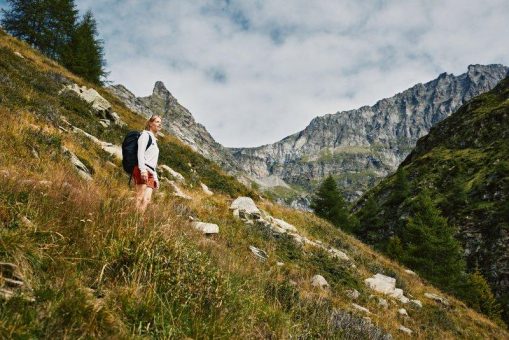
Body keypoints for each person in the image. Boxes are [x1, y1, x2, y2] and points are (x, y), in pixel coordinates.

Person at [133, 115, 162, 212]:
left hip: (151, 173)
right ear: (150, 123)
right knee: (139, 197)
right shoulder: (145, 135)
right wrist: (143, 170)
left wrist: (156, 178)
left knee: (147, 200)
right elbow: (140, 153)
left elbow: (153, 162)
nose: (160, 124)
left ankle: (139, 221)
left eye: (160, 122)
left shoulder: (154, 140)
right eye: (157, 122)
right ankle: (133, 218)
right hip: (143, 169)